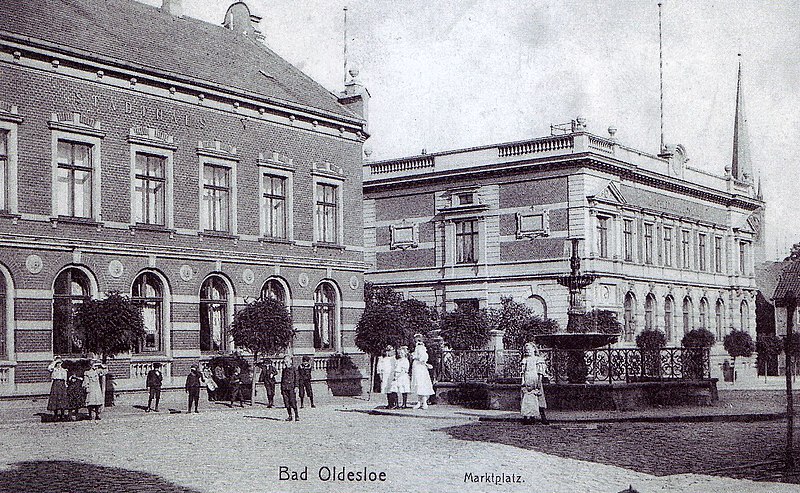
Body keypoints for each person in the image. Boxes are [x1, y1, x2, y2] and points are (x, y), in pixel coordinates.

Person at [520, 342, 549, 425]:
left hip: (535, 379)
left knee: (538, 398)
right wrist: (523, 382)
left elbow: (540, 372)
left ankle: (543, 417)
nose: (527, 351)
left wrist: (539, 382)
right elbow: (523, 372)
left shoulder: (538, 359)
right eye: (526, 350)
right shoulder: (524, 360)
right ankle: (527, 417)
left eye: (529, 349)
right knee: (526, 399)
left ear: (534, 349)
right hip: (527, 379)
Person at [410, 334, 434, 409]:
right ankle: (419, 402)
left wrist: (416, 357)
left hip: (420, 367)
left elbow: (423, 357)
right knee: (417, 383)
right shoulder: (418, 347)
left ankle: (424, 402)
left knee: (421, 383)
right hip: (417, 366)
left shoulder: (421, 347)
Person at [46, 356, 69, 421]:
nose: (58, 365)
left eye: (60, 363)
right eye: (57, 363)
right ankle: (55, 415)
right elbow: (49, 368)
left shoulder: (64, 370)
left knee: (62, 398)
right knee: (55, 398)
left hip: (62, 384)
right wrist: (54, 361)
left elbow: (65, 379)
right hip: (55, 384)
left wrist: (65, 385)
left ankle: (62, 414)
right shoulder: (54, 369)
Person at [280, 355, 299, 421]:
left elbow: (297, 378)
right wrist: (281, 389)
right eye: (285, 361)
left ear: (290, 361)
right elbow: (282, 380)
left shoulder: (294, 369)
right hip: (284, 388)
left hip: (291, 388)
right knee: (286, 403)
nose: (286, 363)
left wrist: (296, 386)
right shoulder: (284, 370)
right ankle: (290, 415)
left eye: (287, 361)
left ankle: (296, 415)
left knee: (293, 402)